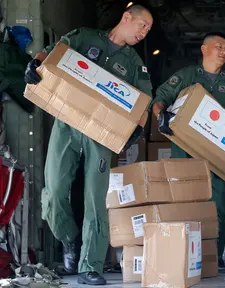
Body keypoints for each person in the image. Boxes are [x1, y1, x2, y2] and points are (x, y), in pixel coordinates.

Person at [24, 4, 153, 285]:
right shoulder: (85, 37)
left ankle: (90, 265)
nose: (144, 32)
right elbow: (54, 51)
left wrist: (138, 130)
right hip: (66, 123)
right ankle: (69, 239)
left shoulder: (134, 63)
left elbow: (144, 101)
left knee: (96, 198)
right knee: (55, 190)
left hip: (102, 133)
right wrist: (35, 64)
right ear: (126, 17)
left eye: (148, 30)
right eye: (142, 25)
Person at [151, 32, 225, 271]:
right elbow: (160, 98)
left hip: (216, 155)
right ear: (204, 49)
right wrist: (161, 115)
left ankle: (215, 256)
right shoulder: (187, 76)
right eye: (219, 46)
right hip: (185, 151)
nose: (224, 52)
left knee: (218, 207)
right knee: (185, 202)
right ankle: (183, 254)